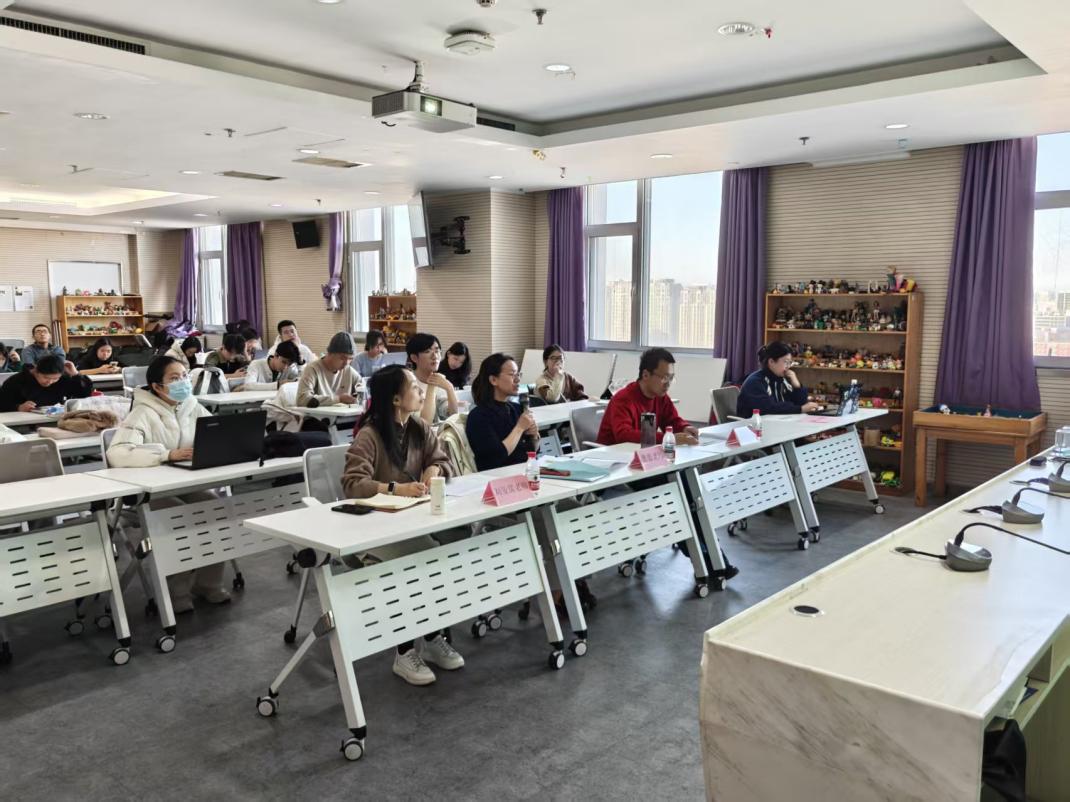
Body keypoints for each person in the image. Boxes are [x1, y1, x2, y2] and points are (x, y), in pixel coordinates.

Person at [341, 364, 464, 685]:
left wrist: (433, 471)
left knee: (439, 556)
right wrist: (396, 489)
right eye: (414, 387)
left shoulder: (418, 427)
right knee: (416, 563)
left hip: (412, 523)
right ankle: (404, 651)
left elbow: (442, 460)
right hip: (374, 530)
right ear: (396, 399)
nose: (421, 392)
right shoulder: (370, 435)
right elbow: (353, 484)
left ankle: (432, 638)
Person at [106, 356, 228, 612]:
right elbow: (117, 453)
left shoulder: (192, 406)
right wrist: (166, 455)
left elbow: (217, 432)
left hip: (186, 483)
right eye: (174, 378)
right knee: (177, 515)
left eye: (184, 375)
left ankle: (208, 583)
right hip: (149, 492)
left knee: (215, 508)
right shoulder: (143, 412)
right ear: (157, 386)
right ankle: (176, 591)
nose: (183, 382)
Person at [598, 347, 699, 446]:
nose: (668, 383)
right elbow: (624, 435)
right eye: (664, 378)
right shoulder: (623, 399)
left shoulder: (661, 397)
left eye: (671, 378)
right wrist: (667, 439)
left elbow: (672, 421)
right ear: (646, 375)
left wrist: (684, 428)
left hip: (641, 452)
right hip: (612, 454)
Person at [465, 353, 539, 471]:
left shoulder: (517, 408)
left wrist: (534, 436)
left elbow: (531, 451)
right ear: (493, 380)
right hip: (496, 477)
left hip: (523, 472)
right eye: (512, 374)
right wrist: (519, 428)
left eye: (518, 374)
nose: (518, 379)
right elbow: (495, 457)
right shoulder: (478, 416)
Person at [737, 342, 821, 417]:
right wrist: (800, 409)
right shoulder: (755, 381)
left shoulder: (783, 379)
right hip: (755, 426)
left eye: (790, 362)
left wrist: (797, 386)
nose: (788, 366)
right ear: (771, 362)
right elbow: (769, 408)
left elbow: (800, 403)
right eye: (786, 362)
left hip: (778, 423)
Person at [0, 353, 92, 412]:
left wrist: (76, 374)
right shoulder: (16, 381)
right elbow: (2, 404)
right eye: (45, 377)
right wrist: (18, 407)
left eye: (55, 378)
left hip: (57, 418)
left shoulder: (63, 379)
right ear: (35, 371)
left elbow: (84, 395)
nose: (50, 382)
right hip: (24, 422)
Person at [296, 331, 361, 407]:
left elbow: (364, 389)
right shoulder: (313, 369)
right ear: (330, 353)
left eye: (350, 359)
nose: (346, 363)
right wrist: (338, 399)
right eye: (342, 358)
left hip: (344, 414)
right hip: (319, 414)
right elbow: (302, 399)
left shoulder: (349, 371)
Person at [406, 332, 458, 425]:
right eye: (427, 351)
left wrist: (449, 388)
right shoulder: (407, 383)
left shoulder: (439, 380)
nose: (435, 356)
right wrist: (432, 387)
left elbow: (452, 416)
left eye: (437, 351)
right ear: (414, 358)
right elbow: (423, 424)